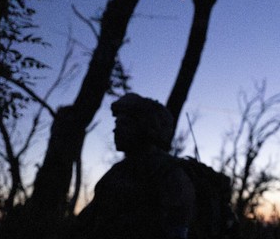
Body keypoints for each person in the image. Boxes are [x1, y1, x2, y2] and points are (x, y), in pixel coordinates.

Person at [75, 93, 196, 239]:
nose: (115, 130)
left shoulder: (168, 172)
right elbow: (86, 222)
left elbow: (175, 228)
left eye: (124, 124)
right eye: (116, 124)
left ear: (145, 128)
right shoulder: (118, 172)